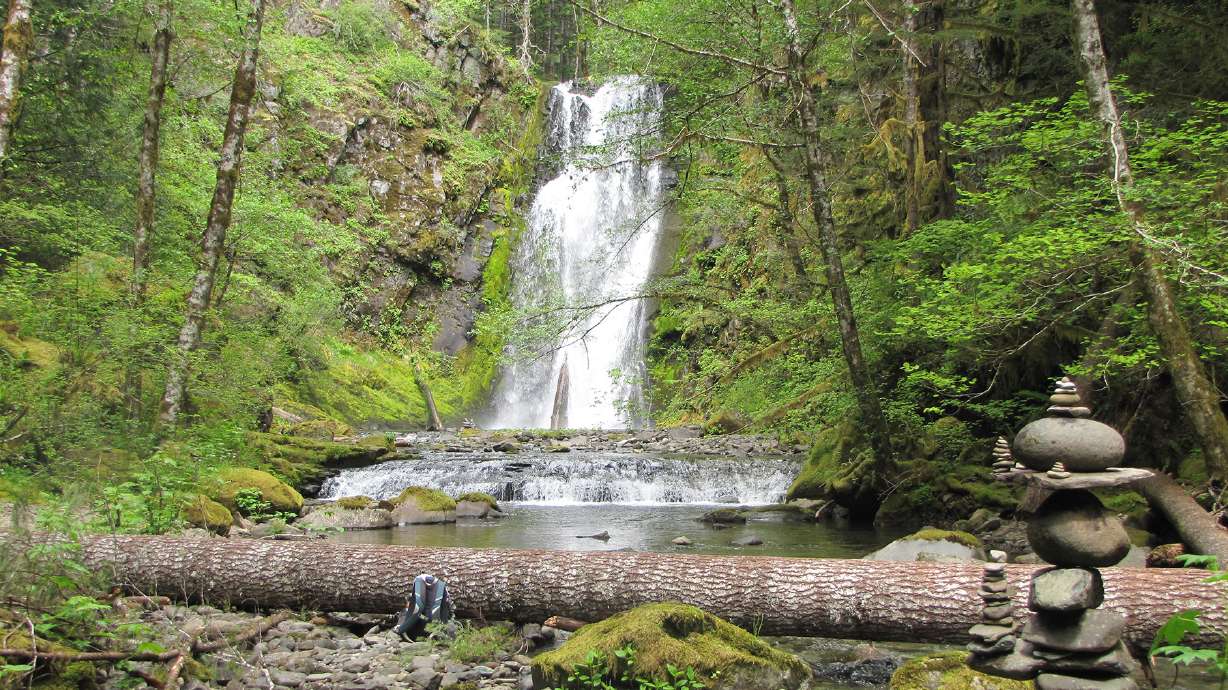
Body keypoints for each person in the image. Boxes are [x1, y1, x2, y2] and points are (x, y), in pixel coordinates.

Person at [394, 573, 453, 640]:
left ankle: (401, 629)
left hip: (420, 629)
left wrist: (401, 629)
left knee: (405, 611)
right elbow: (446, 614)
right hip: (434, 629)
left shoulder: (419, 579)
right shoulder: (442, 587)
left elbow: (418, 607)